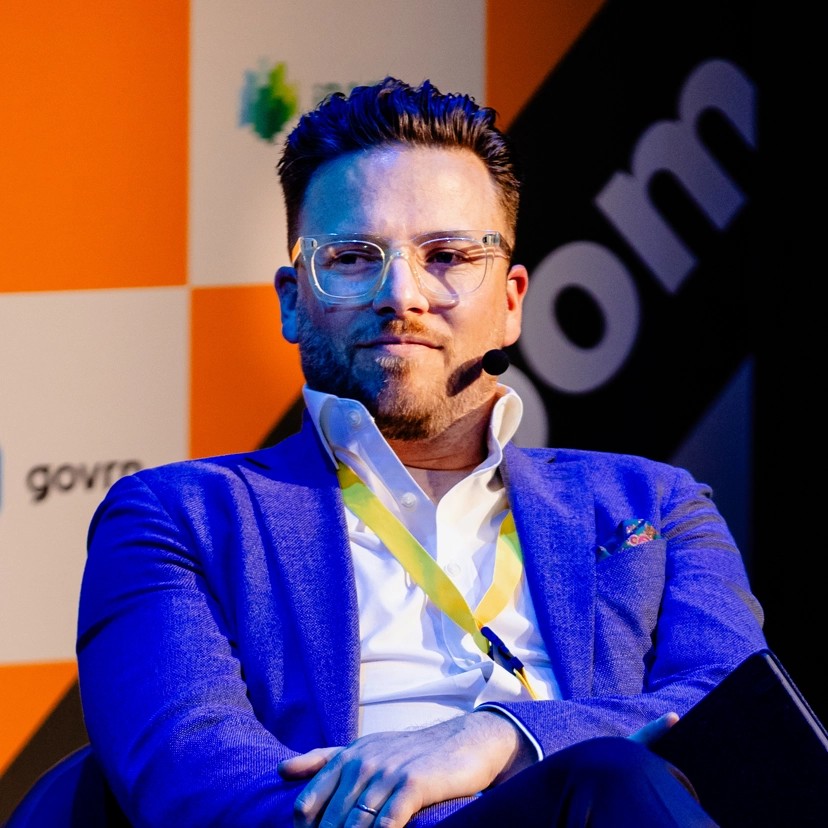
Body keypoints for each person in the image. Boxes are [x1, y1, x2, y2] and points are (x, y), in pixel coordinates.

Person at [76, 77, 767, 827]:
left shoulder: (656, 504)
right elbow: (199, 787)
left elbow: (738, 723)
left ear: (509, 301)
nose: (400, 292)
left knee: (613, 778)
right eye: (351, 256)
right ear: (290, 299)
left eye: (445, 254)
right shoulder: (176, 519)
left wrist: (504, 738)